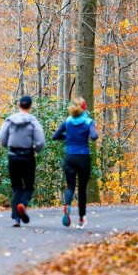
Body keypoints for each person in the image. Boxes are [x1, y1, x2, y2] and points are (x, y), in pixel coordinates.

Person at [0, 96, 46, 227]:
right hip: (28, 157)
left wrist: (7, 145)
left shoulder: (10, 120)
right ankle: (23, 205)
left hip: (13, 156)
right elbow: (41, 141)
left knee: (17, 187)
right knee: (29, 187)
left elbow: (2, 138)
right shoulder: (33, 122)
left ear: (19, 105)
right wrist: (35, 150)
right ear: (30, 106)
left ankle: (16, 219)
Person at [52, 97, 98, 229]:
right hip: (83, 158)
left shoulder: (68, 121)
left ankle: (67, 204)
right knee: (82, 189)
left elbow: (55, 136)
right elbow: (94, 137)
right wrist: (86, 135)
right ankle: (81, 219)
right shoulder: (88, 122)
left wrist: (68, 137)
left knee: (70, 186)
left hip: (69, 157)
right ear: (84, 108)